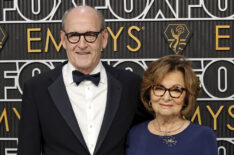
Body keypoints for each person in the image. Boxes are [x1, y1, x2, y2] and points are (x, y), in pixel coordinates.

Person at [17, 5, 152, 155]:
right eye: (74, 35)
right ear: (63, 39)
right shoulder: (37, 88)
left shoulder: (131, 84)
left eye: (90, 34)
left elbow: (148, 138)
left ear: (104, 38)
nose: (82, 45)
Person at [126, 55, 218, 155]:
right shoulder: (135, 133)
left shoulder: (203, 136)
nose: (166, 98)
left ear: (187, 96)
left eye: (176, 90)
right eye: (159, 88)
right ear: (149, 93)